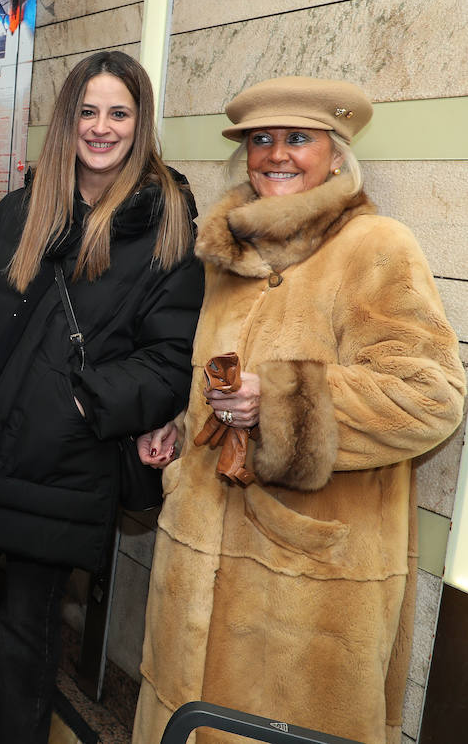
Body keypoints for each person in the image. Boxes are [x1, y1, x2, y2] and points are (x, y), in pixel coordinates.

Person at [132, 77, 466, 744]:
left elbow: (431, 396)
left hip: (304, 588)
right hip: (195, 560)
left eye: (298, 139)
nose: (275, 154)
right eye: (261, 139)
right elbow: (219, 387)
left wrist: (282, 404)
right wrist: (179, 431)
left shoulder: (376, 246)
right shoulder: (227, 258)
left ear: (336, 155)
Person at [0, 51, 203, 744]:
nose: (101, 128)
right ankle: (13, 719)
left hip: (65, 460)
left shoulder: (162, 220)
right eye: (88, 111)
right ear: (67, 120)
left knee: (28, 624)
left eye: (118, 113)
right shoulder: (26, 205)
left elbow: (170, 359)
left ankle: (11, 731)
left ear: (139, 125)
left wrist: (80, 409)